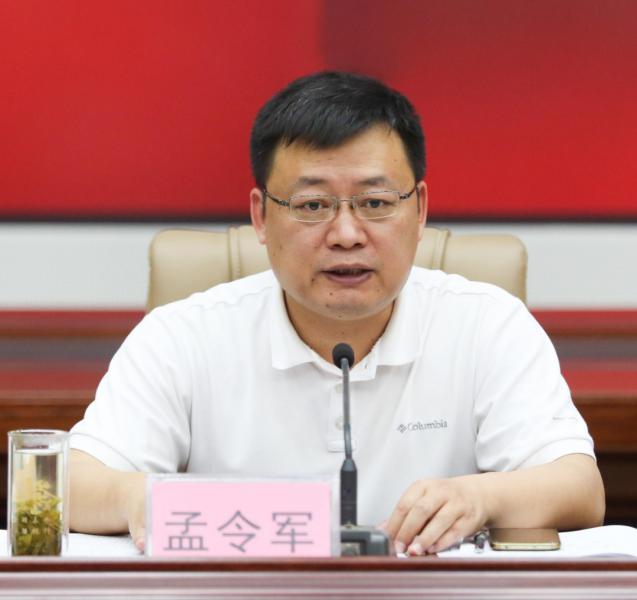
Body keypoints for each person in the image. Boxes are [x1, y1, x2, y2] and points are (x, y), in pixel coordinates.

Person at [69, 71, 604, 556]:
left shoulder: (487, 325)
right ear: (261, 217)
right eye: (313, 206)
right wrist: (149, 499)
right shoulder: (183, 336)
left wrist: (480, 498)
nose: (347, 235)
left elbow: (578, 486)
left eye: (375, 203)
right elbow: (72, 483)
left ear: (419, 210)